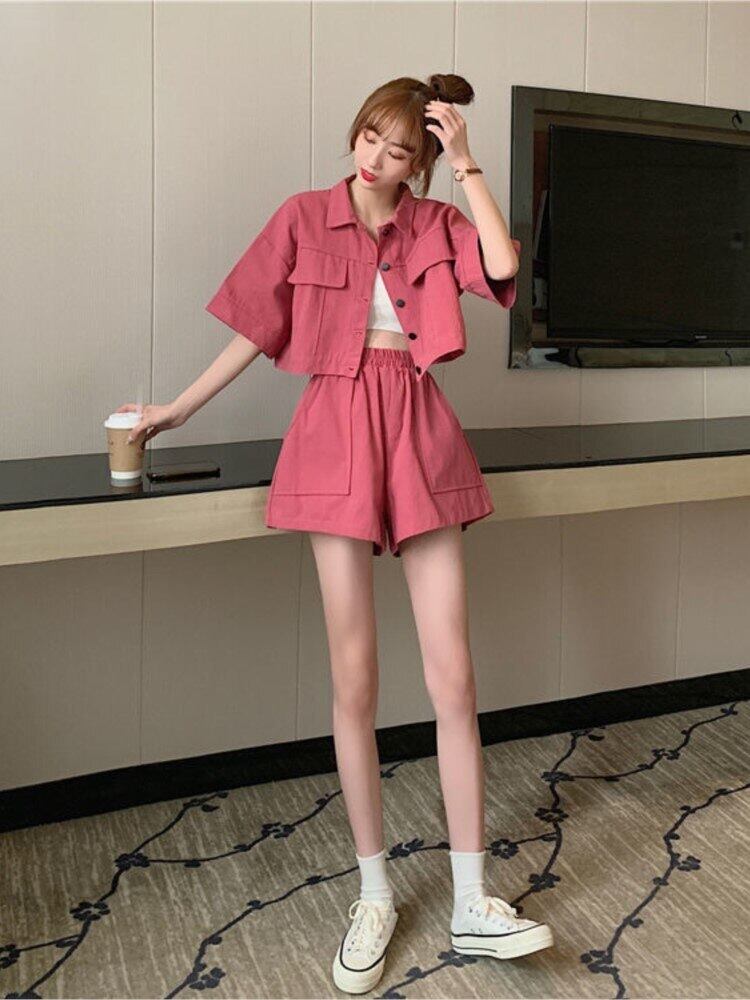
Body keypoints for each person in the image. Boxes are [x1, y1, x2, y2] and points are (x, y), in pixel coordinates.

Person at [117, 72, 553, 995]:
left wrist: (467, 162)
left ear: (420, 161)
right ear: (354, 134)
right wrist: (177, 411)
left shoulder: (437, 221)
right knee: (355, 681)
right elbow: (254, 328)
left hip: (419, 427)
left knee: (454, 678)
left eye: (400, 150)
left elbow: (502, 266)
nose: (377, 159)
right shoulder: (302, 217)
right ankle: (374, 894)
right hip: (332, 430)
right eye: (369, 138)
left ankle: (471, 899)